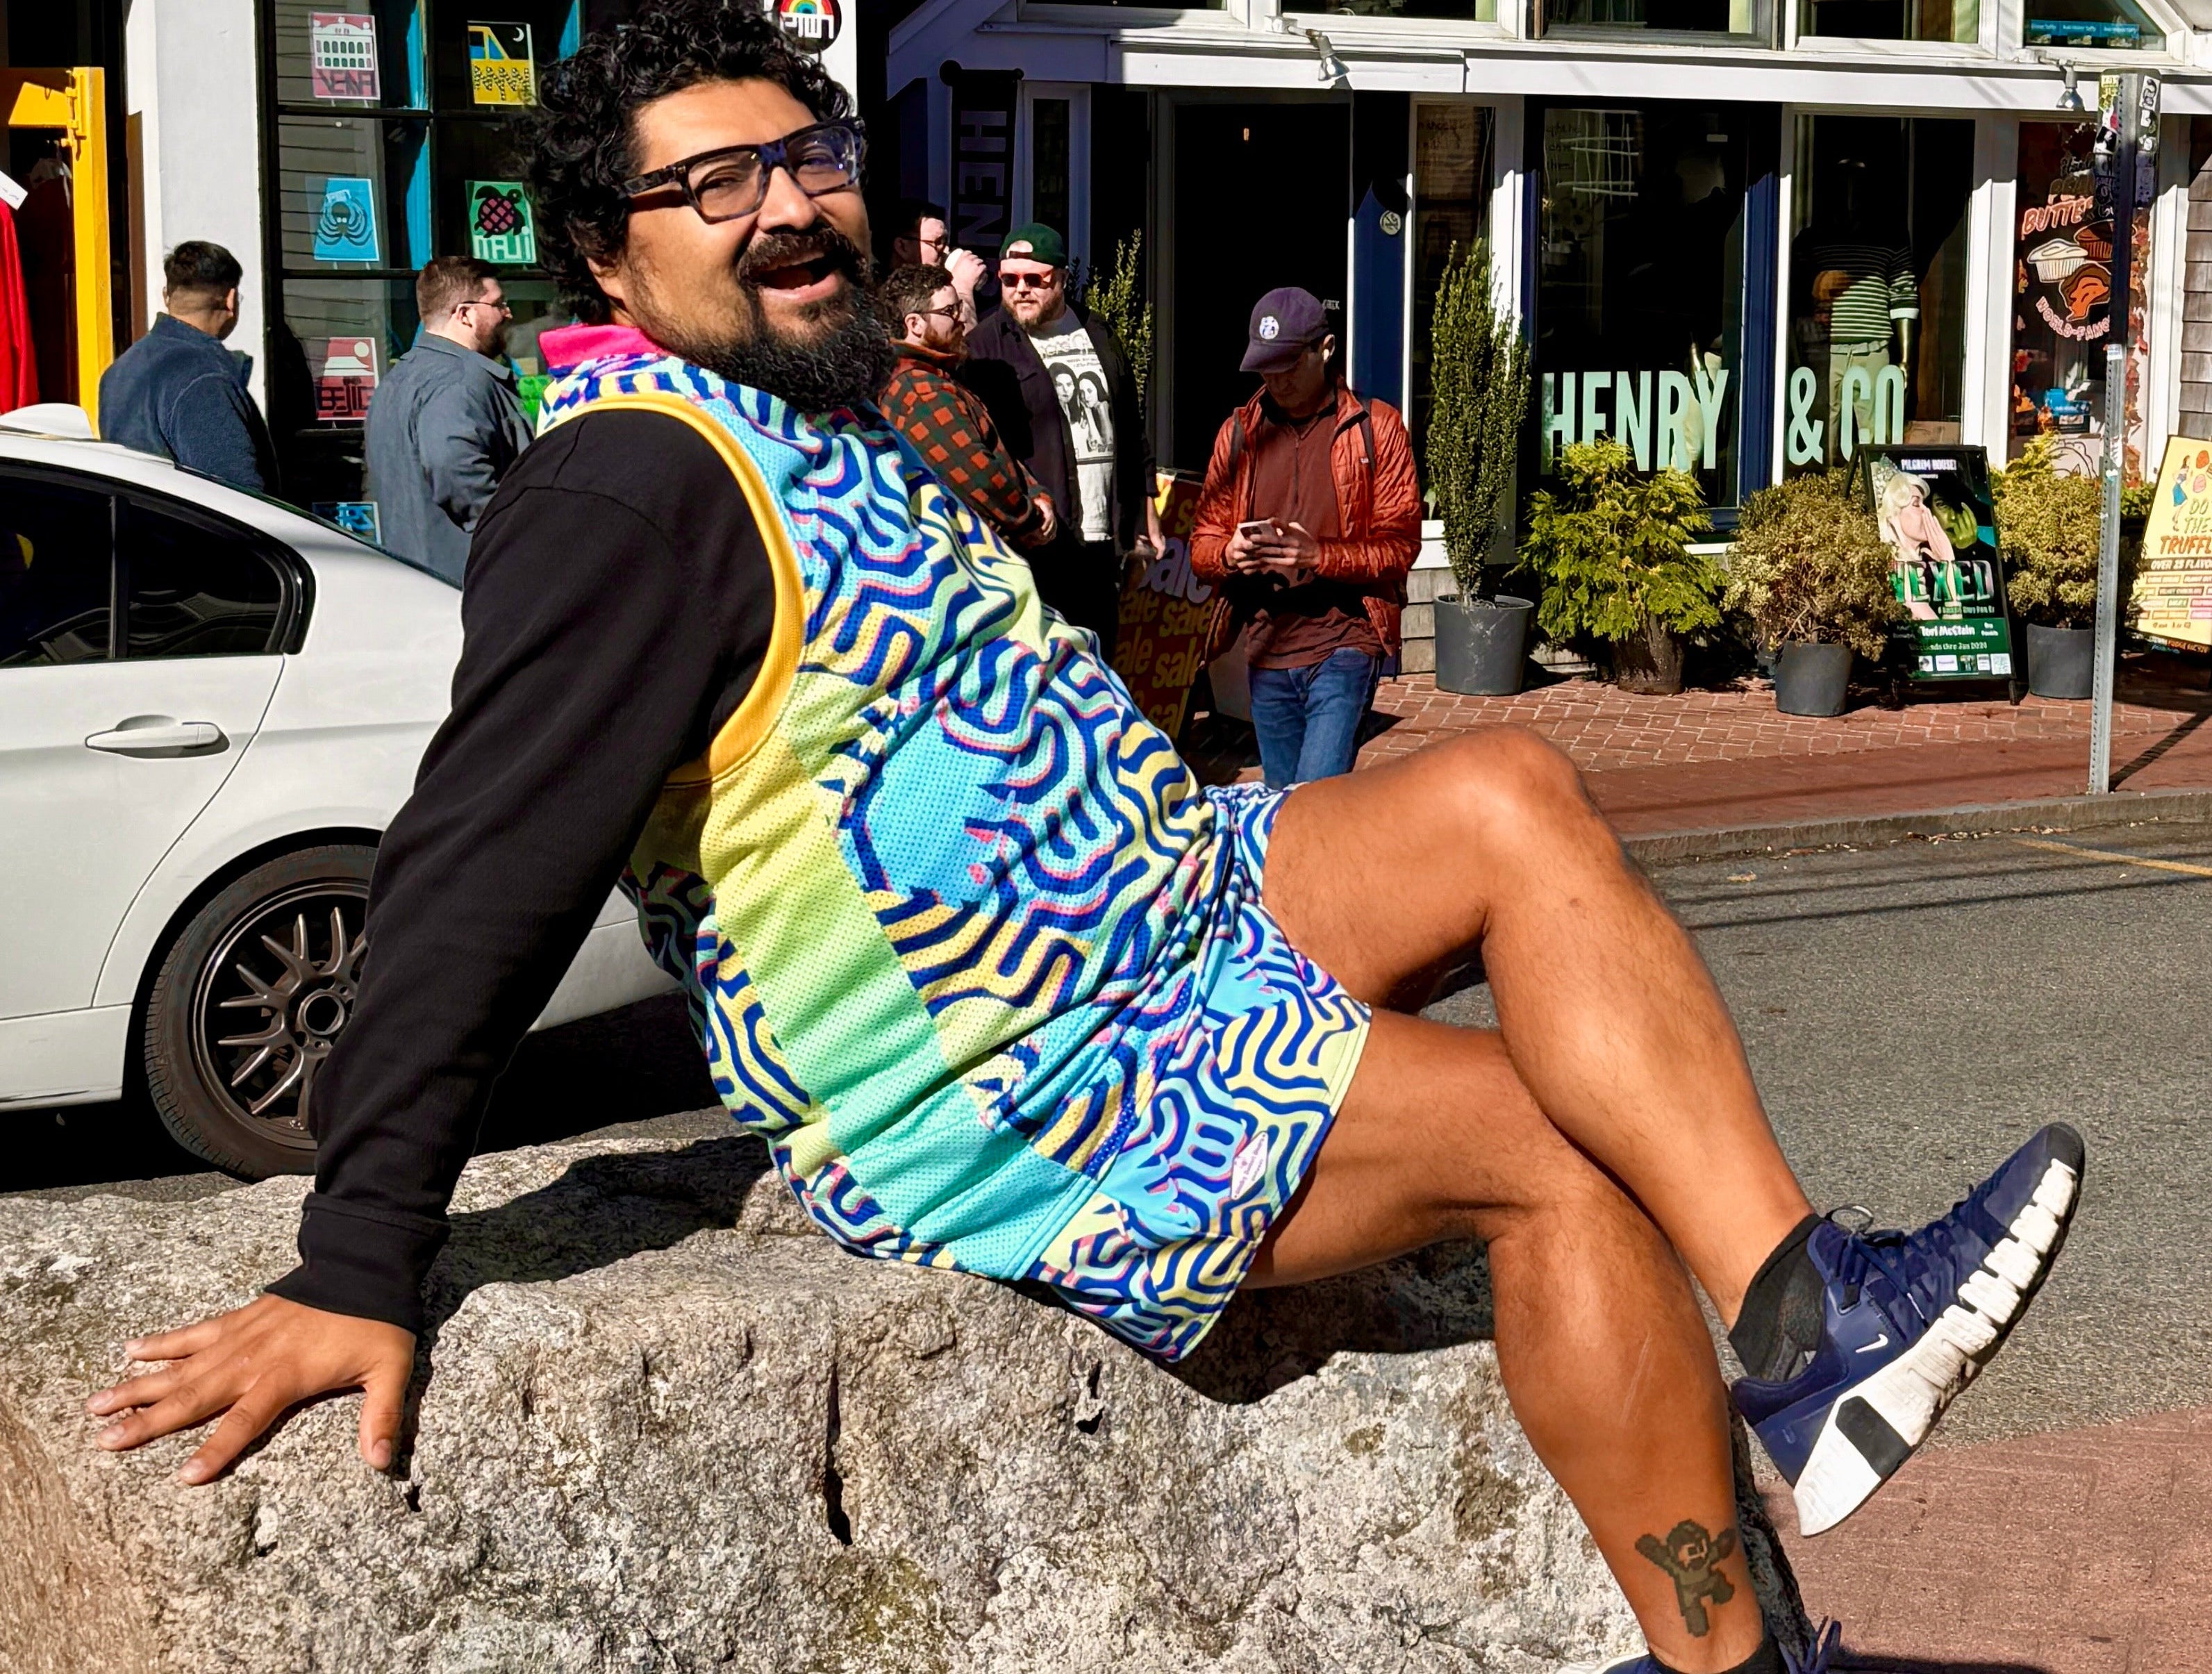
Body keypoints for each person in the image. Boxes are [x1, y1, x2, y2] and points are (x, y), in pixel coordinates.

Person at [79, 14, 2088, 1674]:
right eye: (712, 186)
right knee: (1560, 1155)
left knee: (1509, 790)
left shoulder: (827, 420)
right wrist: (358, 1256)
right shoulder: (627, 488)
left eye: (805, 157)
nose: (784, 206)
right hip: (1025, 1074)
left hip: (1173, 906)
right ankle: (1731, 1661)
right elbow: (478, 861)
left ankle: (1809, 1320)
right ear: (608, 264)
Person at [1188, 287, 1420, 790]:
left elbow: (1401, 545)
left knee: (1317, 799)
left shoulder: (1375, 427)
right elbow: (1202, 544)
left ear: (1325, 349)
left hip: (1346, 643)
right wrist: (1229, 553)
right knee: (1283, 809)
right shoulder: (1239, 433)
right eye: (1265, 369)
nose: (1277, 381)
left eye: (1289, 366)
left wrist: (1319, 555)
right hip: (1267, 648)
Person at [958, 222, 1154, 642]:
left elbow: (1130, 429)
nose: (1021, 290)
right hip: (1035, 545)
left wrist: (1141, 526)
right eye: (1009, 280)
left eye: (1036, 279)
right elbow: (975, 450)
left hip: (1102, 545)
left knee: (1097, 664)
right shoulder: (985, 347)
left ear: (1062, 278)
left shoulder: (1097, 330)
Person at [364, 254, 536, 584]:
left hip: (418, 581)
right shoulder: (461, 381)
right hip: (470, 582)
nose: (508, 313)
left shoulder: (397, 380)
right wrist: (516, 533)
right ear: (465, 315)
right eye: (498, 304)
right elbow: (455, 468)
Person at [876, 260, 1055, 548]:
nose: (961, 318)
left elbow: (997, 455)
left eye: (959, 307)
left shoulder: (934, 376)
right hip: (974, 554)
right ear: (915, 324)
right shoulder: (919, 391)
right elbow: (978, 475)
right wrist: (1029, 518)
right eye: (949, 311)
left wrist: (1037, 494)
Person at [98, 240, 276, 494]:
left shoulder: (121, 369)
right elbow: (239, 498)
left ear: (166, 296)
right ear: (231, 299)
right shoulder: (206, 378)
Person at [875, 196, 983, 335]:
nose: (946, 250)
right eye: (938, 242)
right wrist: (964, 291)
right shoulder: (880, 303)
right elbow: (965, 344)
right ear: (902, 247)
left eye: (946, 242)